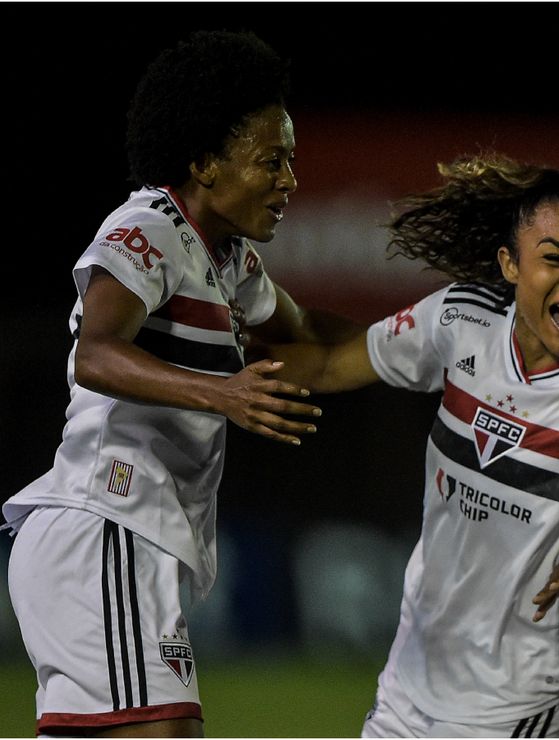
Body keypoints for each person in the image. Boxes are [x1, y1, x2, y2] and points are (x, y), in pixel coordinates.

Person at [266, 154, 559, 738]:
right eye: (555, 259)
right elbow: (327, 361)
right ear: (509, 265)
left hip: (520, 697)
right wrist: (206, 366)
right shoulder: (460, 321)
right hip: (410, 681)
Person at [2, 30, 361, 737]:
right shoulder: (148, 227)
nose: (290, 180)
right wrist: (223, 393)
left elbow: (306, 333)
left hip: (135, 541)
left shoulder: (231, 263)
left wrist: (444, 337)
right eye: (271, 161)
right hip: (101, 527)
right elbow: (96, 355)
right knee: (166, 732)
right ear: (204, 162)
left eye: (291, 160)